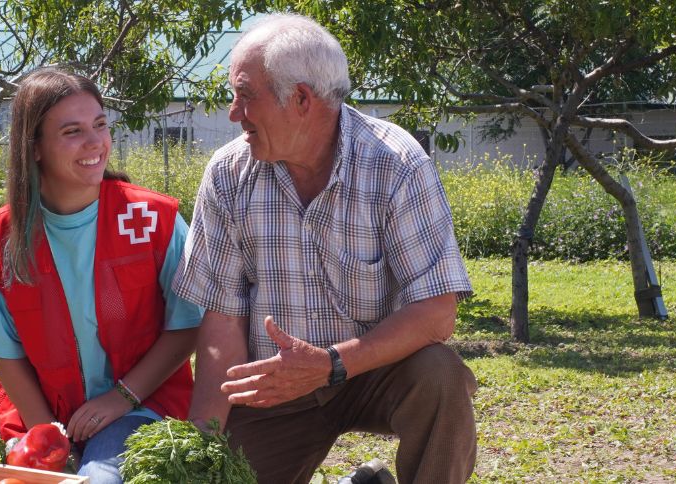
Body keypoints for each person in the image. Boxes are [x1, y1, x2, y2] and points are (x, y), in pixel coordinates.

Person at [174, 13, 478, 484]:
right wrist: (204, 441)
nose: (234, 113)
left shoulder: (395, 163)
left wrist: (332, 364)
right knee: (222, 477)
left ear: (301, 99)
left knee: (442, 376)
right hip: (276, 386)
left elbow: (436, 312)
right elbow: (223, 318)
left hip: (377, 369)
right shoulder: (229, 174)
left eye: (245, 95)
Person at [0, 67, 202, 483]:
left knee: (101, 477)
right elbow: (5, 351)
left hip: (143, 406)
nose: (94, 142)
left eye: (100, 125)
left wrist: (122, 398)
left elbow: (189, 324)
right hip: (41, 416)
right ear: (34, 147)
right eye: (72, 131)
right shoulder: (4, 239)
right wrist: (47, 435)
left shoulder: (151, 219)